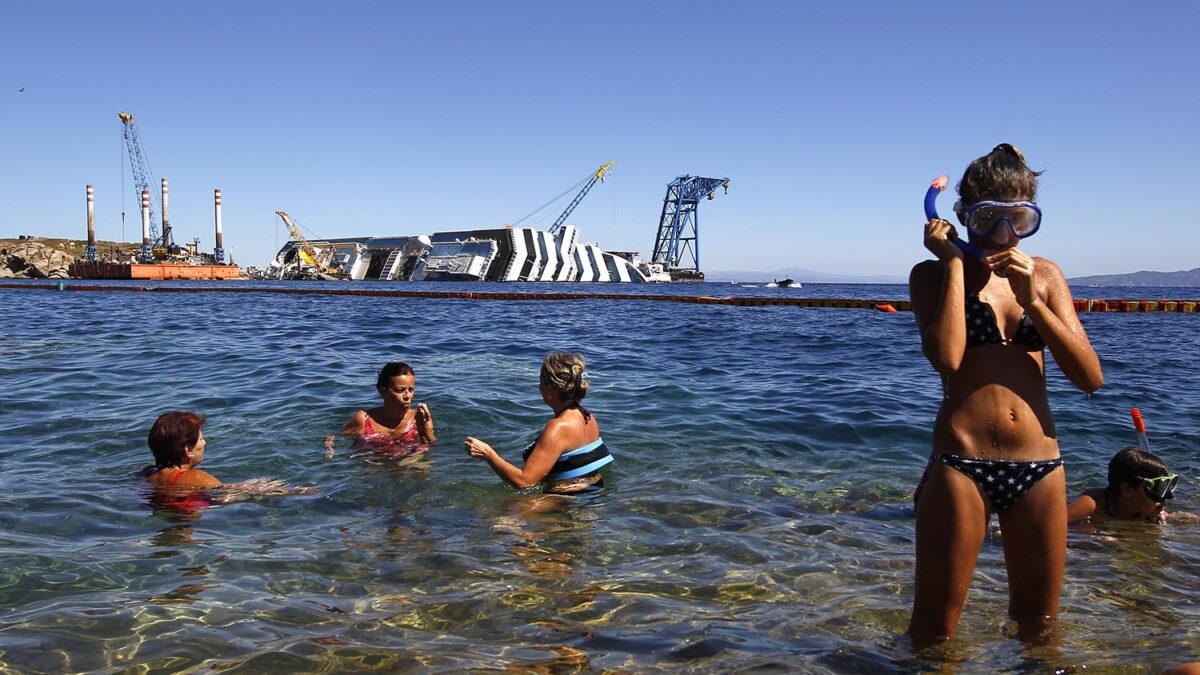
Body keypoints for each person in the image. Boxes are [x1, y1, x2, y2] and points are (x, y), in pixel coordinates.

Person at [907, 143, 1104, 646]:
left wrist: (1032, 303)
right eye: (988, 217)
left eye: (1018, 218)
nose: (1003, 234)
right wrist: (954, 265)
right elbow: (947, 358)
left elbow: (1089, 378)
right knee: (933, 632)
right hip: (960, 465)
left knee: (1040, 632)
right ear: (963, 215)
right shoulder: (930, 275)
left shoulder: (1045, 275)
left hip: (1040, 468)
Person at [465, 352, 613, 494]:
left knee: (482, 516)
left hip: (567, 499)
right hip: (592, 491)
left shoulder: (558, 427)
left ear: (549, 390)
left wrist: (488, 454)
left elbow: (525, 483)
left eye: (540, 381)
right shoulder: (588, 417)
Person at [330, 362, 436, 456]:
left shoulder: (419, 418)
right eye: (400, 390)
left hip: (409, 462)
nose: (407, 396)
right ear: (382, 390)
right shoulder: (364, 419)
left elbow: (433, 446)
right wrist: (329, 449)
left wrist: (423, 429)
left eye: (411, 389)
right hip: (374, 464)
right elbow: (336, 437)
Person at [1068, 447, 1178, 523]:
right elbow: (1055, 527)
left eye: (1165, 487)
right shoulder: (1092, 506)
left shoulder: (1148, 511)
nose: (1165, 498)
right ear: (1127, 489)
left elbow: (1180, 519)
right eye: (1156, 488)